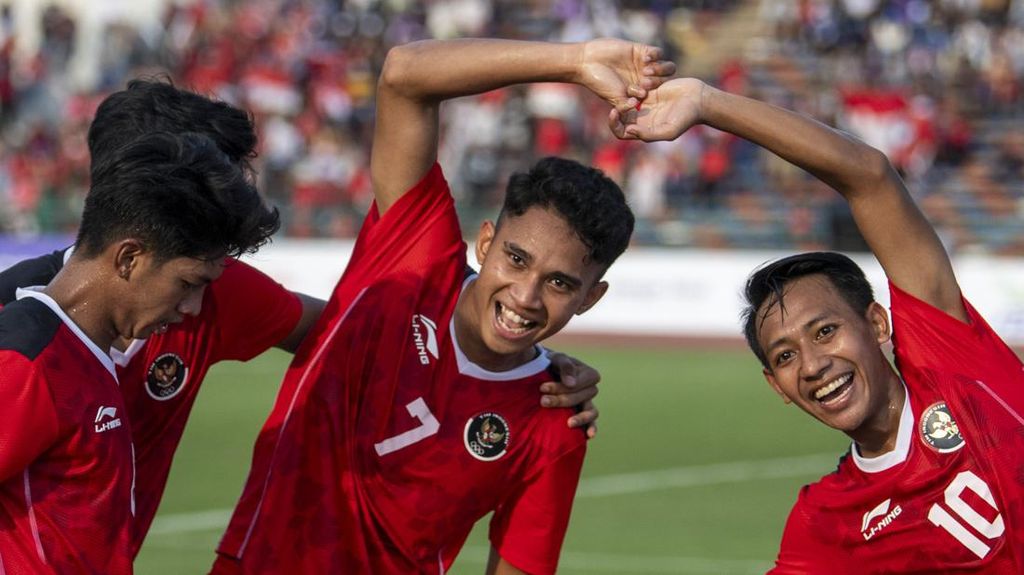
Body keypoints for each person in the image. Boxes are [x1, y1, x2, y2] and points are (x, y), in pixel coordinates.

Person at [0, 80, 604, 558]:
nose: (193, 298)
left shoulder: (216, 293)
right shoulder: (23, 337)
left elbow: (353, 334)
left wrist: (519, 354)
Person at [212, 38, 673, 574]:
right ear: (485, 243)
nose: (524, 296)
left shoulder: (554, 419)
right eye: (516, 259)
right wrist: (573, 62)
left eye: (559, 284)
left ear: (590, 298)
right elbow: (405, 75)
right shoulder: (413, 256)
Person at [611, 78, 1024, 572]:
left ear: (877, 324)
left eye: (825, 331)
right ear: (777, 386)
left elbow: (870, 177)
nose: (812, 364)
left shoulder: (948, 355)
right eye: (785, 356)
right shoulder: (823, 524)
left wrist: (708, 104)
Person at [0, 130, 279, 574]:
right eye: (188, 284)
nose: (192, 308)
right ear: (129, 257)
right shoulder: (26, 359)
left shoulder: (87, 350)